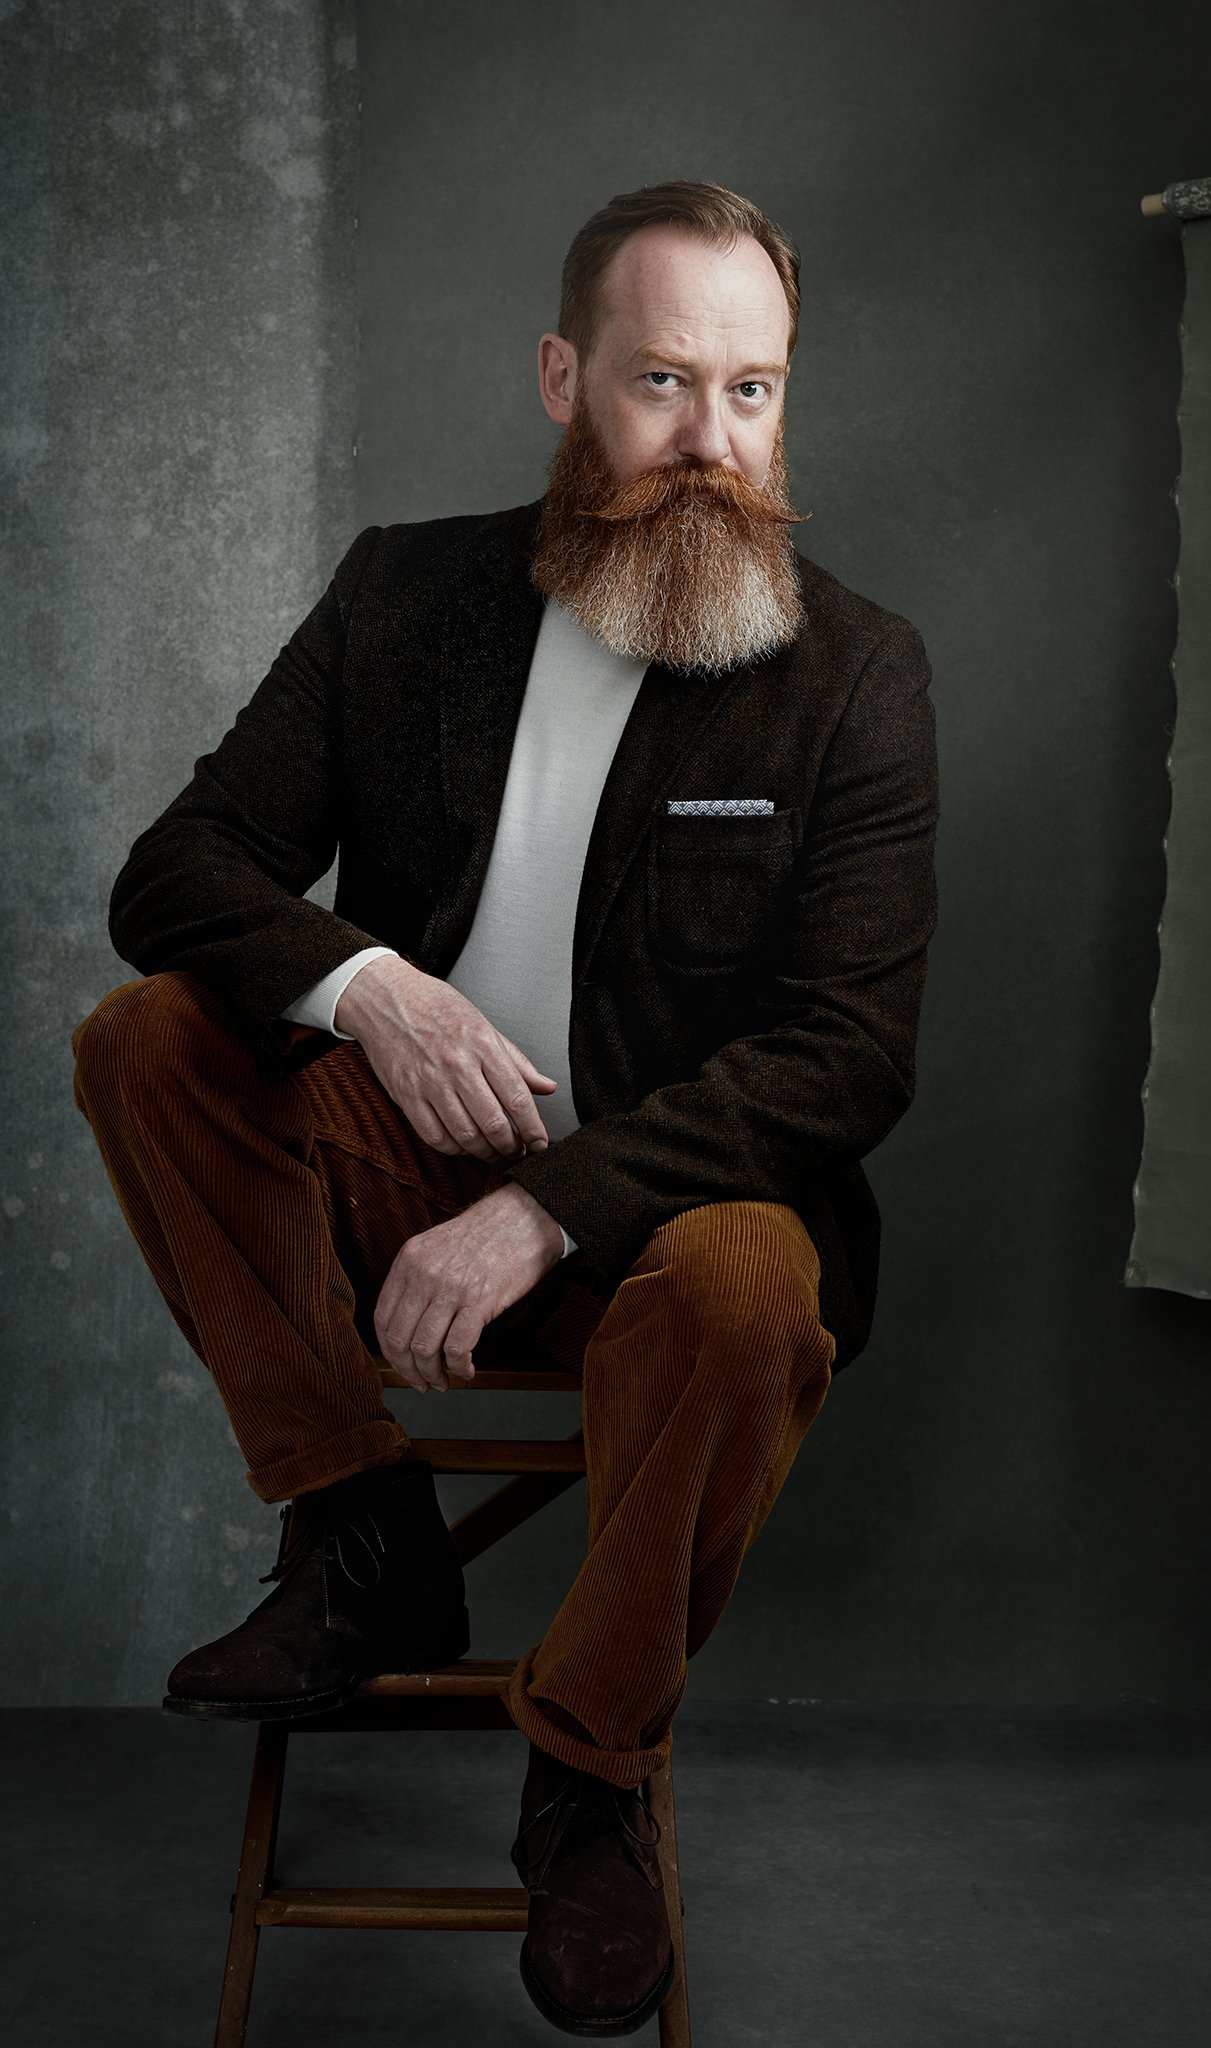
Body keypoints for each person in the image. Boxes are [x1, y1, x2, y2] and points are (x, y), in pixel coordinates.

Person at [71, 179, 939, 2037]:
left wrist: (551, 1205)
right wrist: (369, 987)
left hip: (672, 1234)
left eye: (755, 390)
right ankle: (360, 1532)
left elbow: (850, 1054)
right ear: (563, 377)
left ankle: (589, 1764)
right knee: (146, 1035)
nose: (712, 440)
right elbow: (175, 873)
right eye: (661, 380)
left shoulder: (857, 671)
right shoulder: (406, 597)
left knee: (748, 1284)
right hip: (393, 1197)